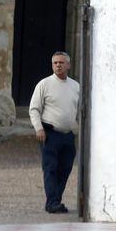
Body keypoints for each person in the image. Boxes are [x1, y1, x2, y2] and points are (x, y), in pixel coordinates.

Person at [29, 51, 79, 213]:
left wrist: (77, 130)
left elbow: (80, 111)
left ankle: (55, 200)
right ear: (52, 65)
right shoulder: (44, 84)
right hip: (50, 133)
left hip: (68, 135)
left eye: (61, 62)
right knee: (51, 168)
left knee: (65, 168)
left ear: (68, 65)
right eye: (55, 63)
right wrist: (39, 128)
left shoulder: (75, 87)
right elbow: (34, 109)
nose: (58, 65)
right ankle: (52, 203)